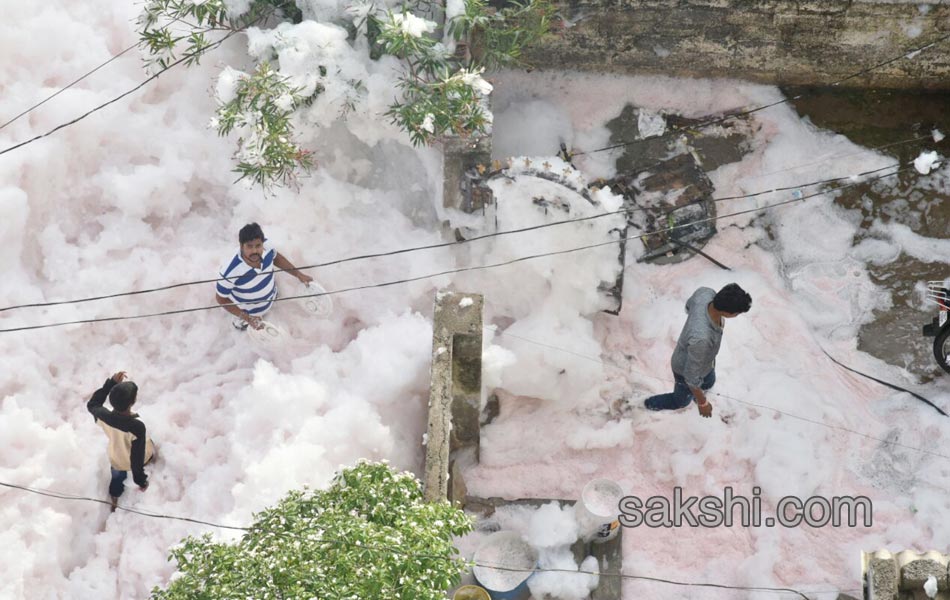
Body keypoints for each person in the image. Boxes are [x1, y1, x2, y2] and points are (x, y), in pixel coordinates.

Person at [644, 283, 752, 418]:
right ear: (726, 312)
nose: (737, 315)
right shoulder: (702, 339)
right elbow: (690, 377)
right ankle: (646, 404)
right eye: (737, 313)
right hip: (684, 369)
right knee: (680, 401)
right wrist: (703, 403)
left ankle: (698, 393)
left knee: (709, 381)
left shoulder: (705, 293)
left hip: (705, 362)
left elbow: (689, 306)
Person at [215, 223, 313, 330]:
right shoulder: (230, 272)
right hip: (250, 314)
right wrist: (248, 318)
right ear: (241, 246)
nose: (254, 251)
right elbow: (221, 299)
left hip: (271, 297)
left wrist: (298, 274)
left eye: (258, 246)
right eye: (249, 246)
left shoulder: (267, 247)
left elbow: (276, 258)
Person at [86, 371, 155, 511]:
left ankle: (115, 496)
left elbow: (92, 404)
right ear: (132, 402)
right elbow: (136, 459)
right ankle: (150, 461)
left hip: (116, 458)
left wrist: (110, 383)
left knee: (117, 477)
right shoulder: (136, 427)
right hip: (134, 459)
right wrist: (140, 481)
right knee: (149, 448)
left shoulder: (103, 416)